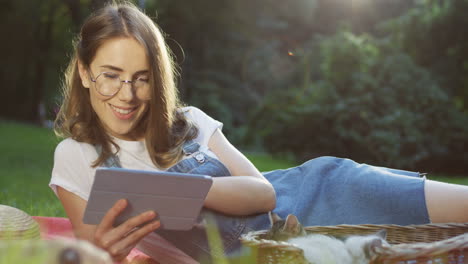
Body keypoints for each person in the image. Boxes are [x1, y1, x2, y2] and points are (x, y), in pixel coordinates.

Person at [50, 2, 468, 263]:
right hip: (275, 252)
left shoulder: (189, 121)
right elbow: (96, 253)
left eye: (142, 78)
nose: (127, 94)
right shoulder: (75, 157)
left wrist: (181, 193)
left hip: (315, 194)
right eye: (111, 76)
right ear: (85, 73)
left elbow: (263, 192)